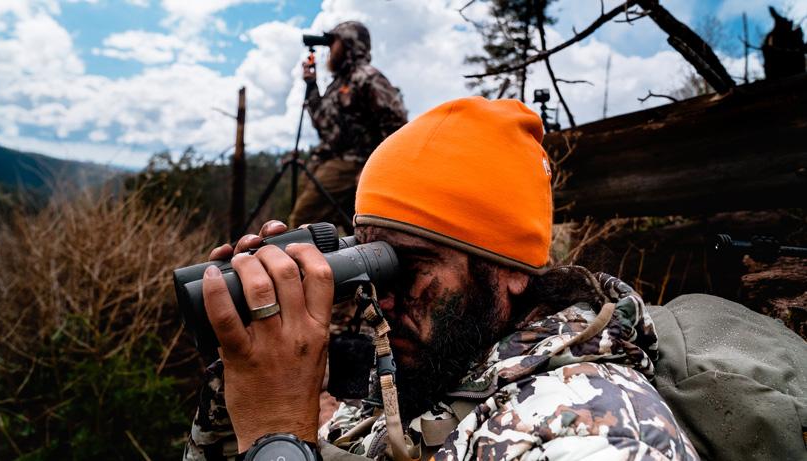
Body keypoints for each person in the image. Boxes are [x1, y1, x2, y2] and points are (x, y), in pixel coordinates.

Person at [184, 97, 699, 460]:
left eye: (406, 265)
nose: (378, 301)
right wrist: (243, 375)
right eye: (363, 261)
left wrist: (279, 435)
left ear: (512, 271)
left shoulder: (597, 433)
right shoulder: (436, 377)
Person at [289, 21, 407, 233]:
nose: (330, 49)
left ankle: (297, 261)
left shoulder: (367, 77)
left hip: (354, 162)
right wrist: (311, 85)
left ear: (348, 44)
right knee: (350, 222)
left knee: (303, 218)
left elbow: (397, 126)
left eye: (334, 42)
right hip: (331, 159)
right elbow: (324, 124)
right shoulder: (339, 83)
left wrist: (372, 168)